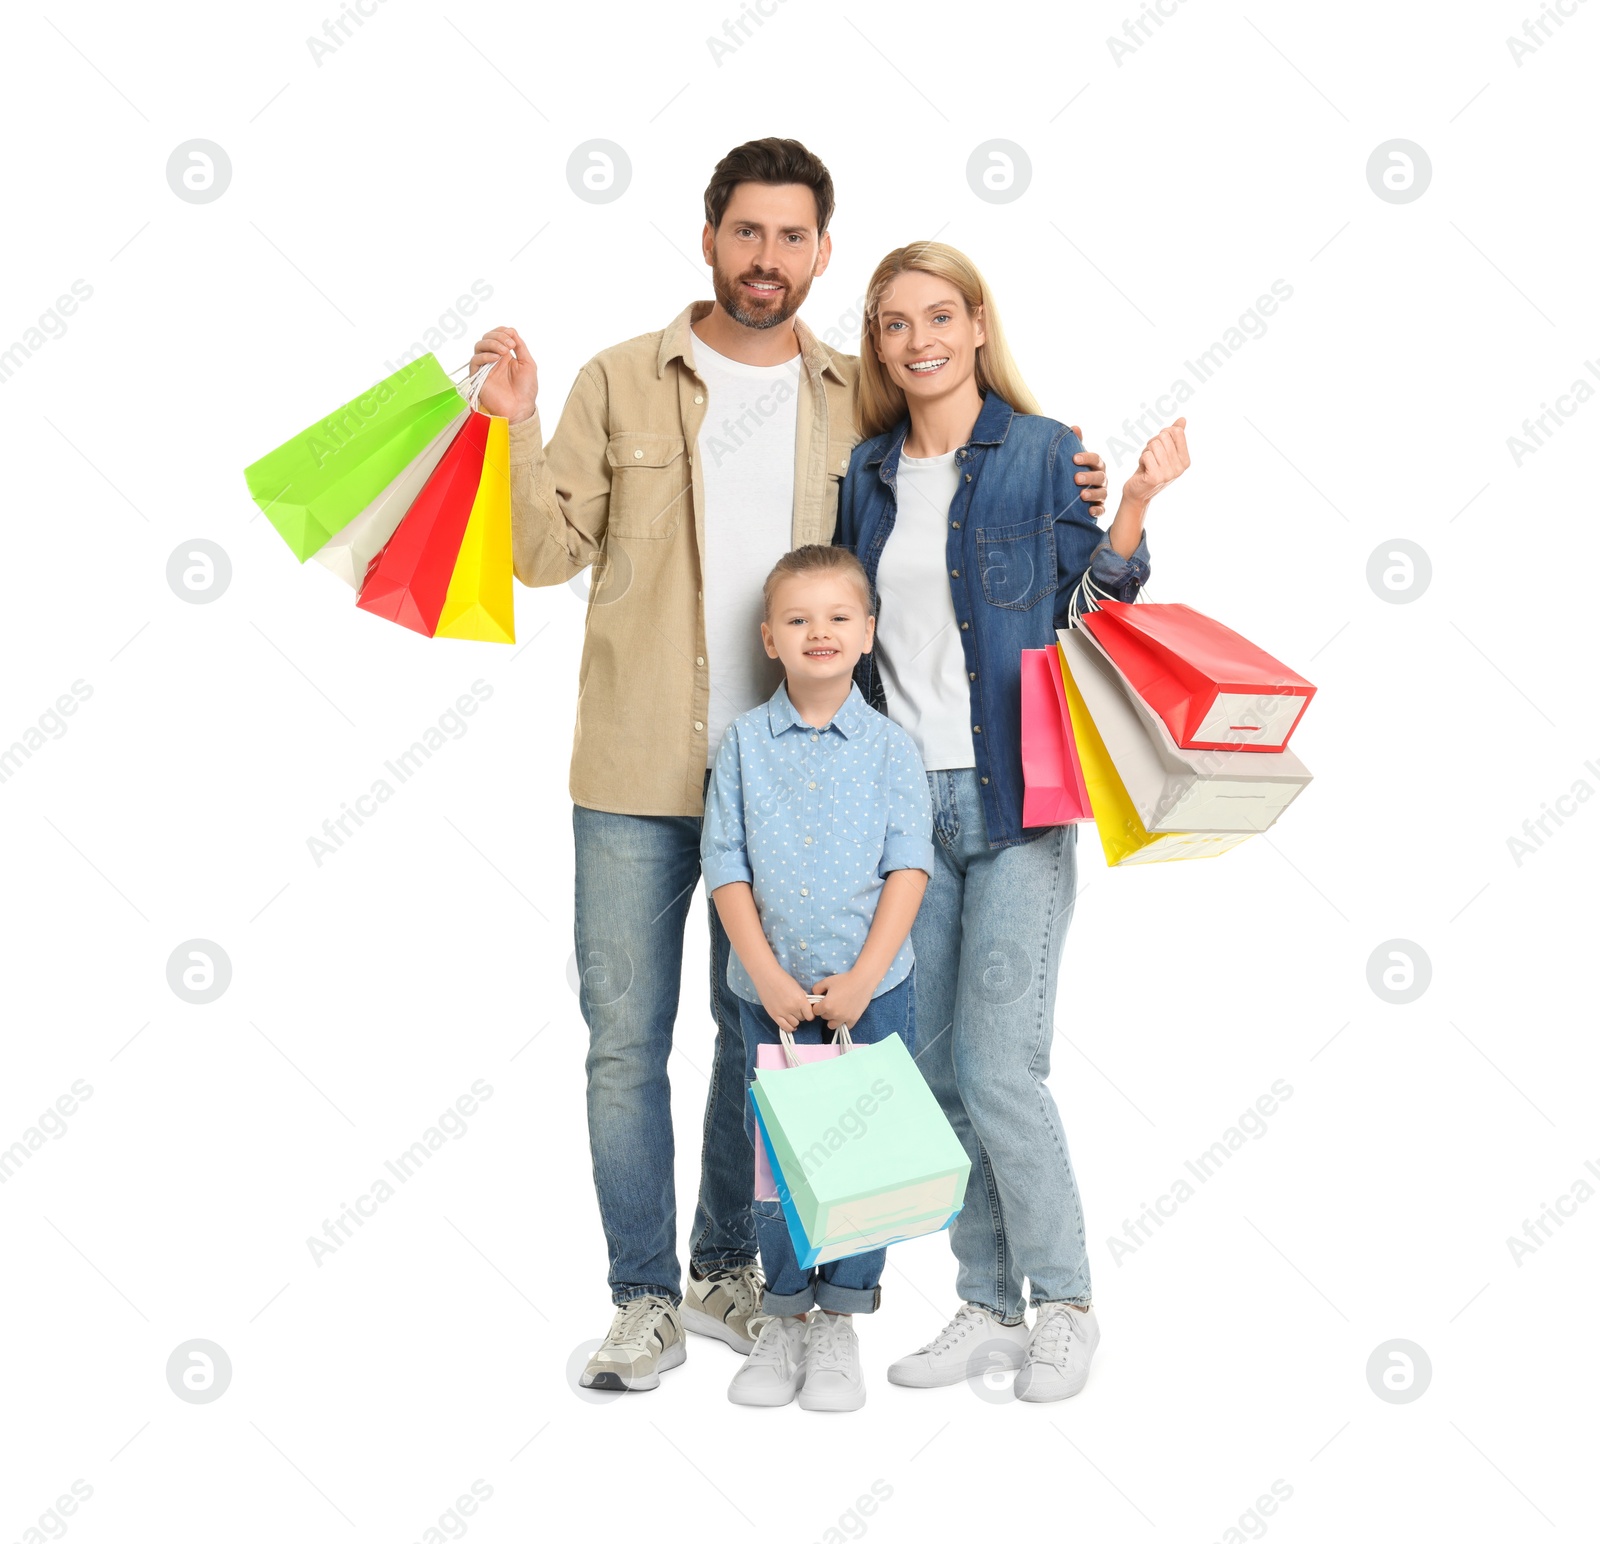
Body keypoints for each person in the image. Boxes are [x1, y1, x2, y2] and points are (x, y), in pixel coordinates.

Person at [468, 140, 1111, 1394]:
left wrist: (1079, 494)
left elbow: (943, 512)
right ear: (709, 238)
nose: (768, 259)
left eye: (794, 238)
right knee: (620, 1042)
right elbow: (540, 555)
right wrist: (514, 427)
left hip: (801, 779)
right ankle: (644, 1295)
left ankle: (733, 1270)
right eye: (747, 234)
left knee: (765, 1034)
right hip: (640, 768)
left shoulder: (848, 402)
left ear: (820, 250)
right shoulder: (617, 380)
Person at [835, 241, 1190, 1402]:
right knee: (936, 1076)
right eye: (894, 323)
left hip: (1015, 801)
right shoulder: (868, 474)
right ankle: (986, 1305)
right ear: (880, 343)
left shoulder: (1043, 455)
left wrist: (1131, 501)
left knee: (1001, 1069)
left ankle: (1066, 1302)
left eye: (939, 315)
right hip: (904, 811)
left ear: (978, 324)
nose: (917, 339)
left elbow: (1089, 613)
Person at [700, 544, 932, 1411]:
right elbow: (725, 866)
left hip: (870, 993)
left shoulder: (888, 747)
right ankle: (785, 1315)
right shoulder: (743, 745)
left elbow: (909, 867)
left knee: (861, 1164)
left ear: (868, 633)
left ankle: (840, 1319)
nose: (819, 632)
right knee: (778, 1165)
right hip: (773, 1000)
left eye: (838, 617)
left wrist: (866, 978)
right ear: (769, 638)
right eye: (798, 619)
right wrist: (762, 975)